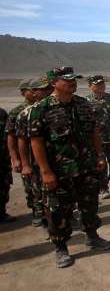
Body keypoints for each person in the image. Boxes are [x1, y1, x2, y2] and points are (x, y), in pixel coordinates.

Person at [29, 67, 110, 268]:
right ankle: (61, 248)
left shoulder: (83, 105)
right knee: (59, 209)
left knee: (90, 204)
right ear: (53, 83)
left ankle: (92, 236)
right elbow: (36, 141)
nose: (72, 83)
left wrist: (100, 155)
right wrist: (45, 171)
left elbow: (94, 132)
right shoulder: (42, 108)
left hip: (86, 166)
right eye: (67, 80)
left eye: (74, 79)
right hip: (59, 170)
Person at [15, 75, 53, 230]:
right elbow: (20, 140)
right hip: (35, 160)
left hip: (57, 159)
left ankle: (60, 218)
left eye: (48, 89)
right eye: (42, 90)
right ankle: (43, 218)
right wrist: (23, 163)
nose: (47, 92)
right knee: (38, 190)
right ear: (32, 92)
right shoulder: (25, 113)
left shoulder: (57, 109)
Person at [6, 78, 39, 225]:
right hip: (28, 156)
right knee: (30, 186)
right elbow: (11, 137)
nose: (34, 93)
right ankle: (37, 213)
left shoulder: (43, 108)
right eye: (30, 90)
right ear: (23, 92)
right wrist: (15, 159)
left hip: (44, 156)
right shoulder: (17, 112)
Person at [85, 75, 110, 199]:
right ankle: (103, 187)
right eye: (97, 84)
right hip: (98, 140)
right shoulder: (86, 101)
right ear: (90, 86)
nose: (101, 86)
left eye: (102, 84)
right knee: (101, 164)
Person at [0, 105, 16, 222]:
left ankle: (1, 213)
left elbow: (10, 134)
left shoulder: (1, 113)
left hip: (2, 158)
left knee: (3, 185)